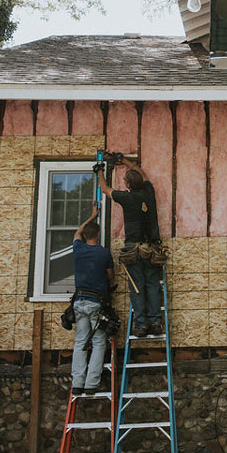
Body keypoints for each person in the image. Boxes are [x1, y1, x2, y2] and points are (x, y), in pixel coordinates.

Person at [98, 157, 163, 338]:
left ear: (127, 184)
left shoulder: (127, 198)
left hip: (134, 250)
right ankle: (156, 323)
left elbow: (104, 189)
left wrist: (99, 171)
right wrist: (124, 161)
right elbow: (142, 174)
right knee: (151, 285)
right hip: (152, 249)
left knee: (137, 287)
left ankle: (141, 325)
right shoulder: (149, 192)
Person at [70, 203, 115, 394]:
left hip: (79, 301)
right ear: (98, 236)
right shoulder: (104, 253)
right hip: (96, 302)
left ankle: (77, 384)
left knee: (81, 341)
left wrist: (91, 216)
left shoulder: (78, 249)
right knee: (98, 342)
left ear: (85, 236)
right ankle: (91, 384)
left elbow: (77, 233)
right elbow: (111, 276)